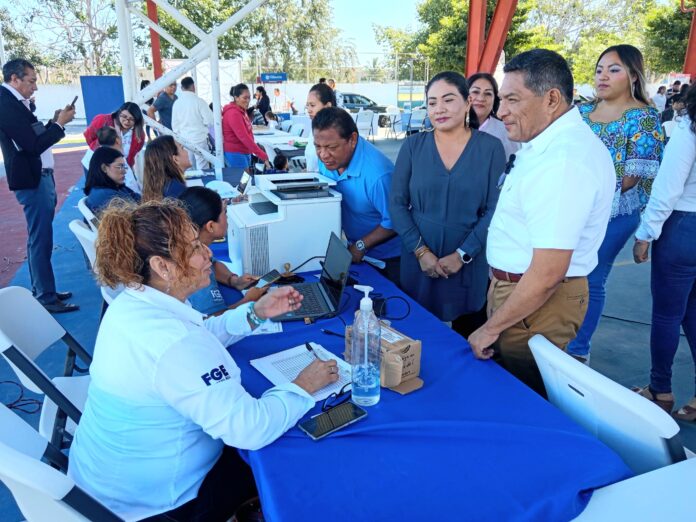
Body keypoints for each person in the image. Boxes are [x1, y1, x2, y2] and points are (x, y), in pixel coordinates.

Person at [67, 199, 338, 521]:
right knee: (301, 464)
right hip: (162, 506)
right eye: (195, 247)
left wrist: (255, 312)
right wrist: (303, 386)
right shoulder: (174, 343)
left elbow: (203, 332)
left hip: (112, 486)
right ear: (162, 266)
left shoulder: (132, 303)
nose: (208, 253)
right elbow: (249, 429)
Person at [468, 49, 615, 395]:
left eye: (512, 100)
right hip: (521, 295)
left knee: (525, 398)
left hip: (538, 302)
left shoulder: (563, 161)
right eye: (501, 100)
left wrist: (490, 328)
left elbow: (548, 272)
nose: (500, 111)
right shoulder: (546, 146)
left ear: (551, 99)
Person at [566, 45, 664, 363]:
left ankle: (578, 351)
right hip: (573, 208)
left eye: (613, 69)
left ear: (633, 75)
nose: (603, 76)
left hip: (614, 213)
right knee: (561, 275)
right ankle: (559, 337)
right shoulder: (580, 114)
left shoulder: (643, 118)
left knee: (592, 278)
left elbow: (631, 178)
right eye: (599, 69)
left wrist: (582, 197)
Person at [390, 71, 505, 336]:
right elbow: (397, 204)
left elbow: (495, 210)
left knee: (469, 341)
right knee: (415, 336)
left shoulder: (490, 148)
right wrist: (421, 252)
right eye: (432, 102)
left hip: (468, 263)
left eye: (448, 100)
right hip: (418, 261)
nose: (439, 108)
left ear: (467, 103)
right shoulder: (413, 146)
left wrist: (463, 254)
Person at [632, 86, 696, 419]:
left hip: (684, 227)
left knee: (668, 315)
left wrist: (645, 233)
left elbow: (668, 187)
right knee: (692, 314)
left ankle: (660, 390)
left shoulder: (689, 127)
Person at [0, 58, 78, 313]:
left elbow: (32, 139)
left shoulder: (15, 104)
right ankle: (44, 296)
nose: (35, 87)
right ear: (15, 79)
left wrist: (52, 124)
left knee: (41, 237)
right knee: (40, 237)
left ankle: (45, 290)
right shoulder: (6, 104)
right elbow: (32, 146)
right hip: (32, 180)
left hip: (39, 177)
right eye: (31, 81)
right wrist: (58, 125)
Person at [314, 107, 401, 283]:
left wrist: (361, 245)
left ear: (352, 139)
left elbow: (395, 221)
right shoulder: (327, 159)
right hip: (352, 250)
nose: (323, 155)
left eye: (331, 147)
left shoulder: (379, 176)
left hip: (388, 259)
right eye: (318, 146)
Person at [179, 186, 263, 316]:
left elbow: (214, 264)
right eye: (224, 212)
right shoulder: (195, 270)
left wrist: (234, 281)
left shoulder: (190, 247)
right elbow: (213, 320)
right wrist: (249, 300)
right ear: (211, 226)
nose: (227, 216)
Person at [468, 72, 520, 160]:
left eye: (488, 93)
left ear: (495, 99)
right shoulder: (452, 127)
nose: (481, 98)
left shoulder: (506, 131)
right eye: (475, 92)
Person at [83, 101, 145, 170]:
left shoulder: (139, 135)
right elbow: (88, 135)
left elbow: (132, 154)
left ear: (137, 120)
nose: (127, 121)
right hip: (94, 165)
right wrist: (96, 147)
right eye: (124, 116)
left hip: (118, 169)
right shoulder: (103, 120)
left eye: (132, 119)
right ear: (119, 112)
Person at [82, 126, 141, 194]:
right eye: (120, 167)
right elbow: (131, 186)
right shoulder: (117, 159)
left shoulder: (95, 155)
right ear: (117, 140)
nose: (124, 171)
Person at [222, 83, 269, 168]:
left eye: (249, 97)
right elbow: (244, 137)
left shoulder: (242, 111)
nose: (248, 100)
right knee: (244, 180)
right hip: (236, 152)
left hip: (243, 152)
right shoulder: (233, 113)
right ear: (236, 98)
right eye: (245, 98)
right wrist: (262, 155)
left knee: (245, 179)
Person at [172, 76, 214, 170]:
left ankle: (190, 185)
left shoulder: (176, 103)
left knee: (188, 168)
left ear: (182, 88)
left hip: (184, 140)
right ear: (193, 87)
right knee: (203, 168)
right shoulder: (199, 101)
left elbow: (175, 126)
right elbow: (210, 120)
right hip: (199, 139)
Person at [84, 147, 140, 214]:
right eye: (119, 167)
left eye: (124, 167)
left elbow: (139, 199)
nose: (124, 171)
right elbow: (135, 217)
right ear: (104, 168)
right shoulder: (105, 196)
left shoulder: (116, 187)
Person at [142, 135, 190, 201]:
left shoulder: (161, 186)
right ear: (175, 159)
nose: (187, 151)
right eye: (182, 148)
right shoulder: (177, 191)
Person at [304, 83, 336, 172]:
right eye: (307, 105)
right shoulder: (314, 129)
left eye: (313, 105)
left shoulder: (336, 134)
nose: (309, 110)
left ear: (327, 106)